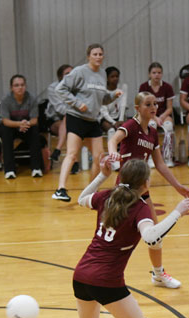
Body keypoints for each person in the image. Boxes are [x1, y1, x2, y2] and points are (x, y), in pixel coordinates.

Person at [59, 157, 189, 318]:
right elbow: (151, 237)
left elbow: (81, 199)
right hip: (106, 280)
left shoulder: (108, 196)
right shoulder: (139, 207)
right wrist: (177, 212)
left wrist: (102, 175)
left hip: (81, 275)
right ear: (145, 183)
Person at [108, 92, 189, 289]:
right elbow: (113, 140)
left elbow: (160, 164)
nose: (153, 107)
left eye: (155, 103)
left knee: (155, 235)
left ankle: (158, 275)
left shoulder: (152, 133)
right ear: (137, 108)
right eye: (148, 104)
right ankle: (107, 273)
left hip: (142, 190)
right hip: (124, 191)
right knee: (114, 237)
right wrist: (113, 152)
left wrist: (177, 186)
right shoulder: (131, 126)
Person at [52, 43, 122, 202]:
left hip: (92, 120)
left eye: (100, 54)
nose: (98, 57)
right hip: (76, 118)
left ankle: (91, 191)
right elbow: (60, 89)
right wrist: (77, 103)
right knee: (72, 154)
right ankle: (60, 189)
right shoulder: (79, 71)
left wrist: (113, 95)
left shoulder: (102, 74)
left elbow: (102, 99)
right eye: (95, 54)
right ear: (88, 56)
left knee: (99, 157)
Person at [0, 74, 43, 179]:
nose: (20, 87)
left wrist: (25, 124)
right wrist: (19, 124)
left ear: (25, 86)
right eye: (16, 85)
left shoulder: (32, 98)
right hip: (11, 126)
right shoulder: (6, 100)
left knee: (35, 131)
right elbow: (5, 121)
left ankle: (36, 168)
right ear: (11, 88)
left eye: (22, 85)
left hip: (26, 126)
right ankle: (9, 170)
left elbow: (34, 120)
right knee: (5, 132)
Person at [138, 62, 175, 168]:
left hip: (163, 114)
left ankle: (168, 156)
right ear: (149, 74)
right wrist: (154, 117)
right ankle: (150, 157)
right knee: (151, 126)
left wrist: (161, 117)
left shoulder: (167, 87)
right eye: (154, 73)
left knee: (168, 126)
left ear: (162, 74)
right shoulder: (144, 87)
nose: (156, 75)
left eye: (159, 73)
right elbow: (143, 108)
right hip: (148, 115)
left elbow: (170, 108)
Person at [45, 64, 76, 170]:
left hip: (74, 118)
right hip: (55, 119)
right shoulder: (53, 88)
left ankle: (58, 149)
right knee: (71, 128)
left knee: (71, 126)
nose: (70, 76)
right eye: (67, 74)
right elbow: (60, 109)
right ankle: (74, 162)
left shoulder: (78, 87)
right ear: (60, 77)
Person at [99, 66, 127, 143]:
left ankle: (122, 149)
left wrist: (121, 120)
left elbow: (123, 104)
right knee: (111, 130)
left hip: (119, 117)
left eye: (117, 76)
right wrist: (114, 123)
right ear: (107, 78)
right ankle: (111, 149)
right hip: (105, 118)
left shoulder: (123, 87)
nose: (115, 78)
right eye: (112, 76)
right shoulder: (102, 90)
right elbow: (104, 112)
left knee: (124, 129)